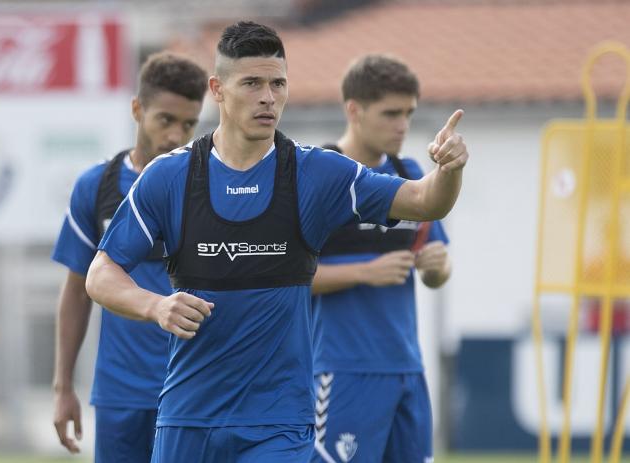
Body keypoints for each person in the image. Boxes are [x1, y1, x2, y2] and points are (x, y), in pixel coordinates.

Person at [85, 21, 468, 463]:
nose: (268, 96)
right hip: (187, 418)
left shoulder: (317, 174)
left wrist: (449, 170)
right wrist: (154, 305)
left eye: (278, 83)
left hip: (279, 426)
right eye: (252, 83)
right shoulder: (169, 177)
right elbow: (101, 273)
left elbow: (424, 201)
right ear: (218, 90)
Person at [51, 51, 207, 462]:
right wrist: (63, 387)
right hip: (121, 392)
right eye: (165, 120)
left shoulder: (207, 188)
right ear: (138, 109)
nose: (176, 135)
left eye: (189, 124)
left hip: (193, 392)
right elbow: (77, 292)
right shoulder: (97, 186)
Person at [311, 54, 450, 463]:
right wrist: (364, 272)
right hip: (341, 367)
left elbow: (436, 271)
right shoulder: (316, 175)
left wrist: (440, 267)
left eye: (408, 113)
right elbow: (284, 274)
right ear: (353, 110)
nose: (402, 125)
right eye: (390, 113)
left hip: (407, 366)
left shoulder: (410, 175)